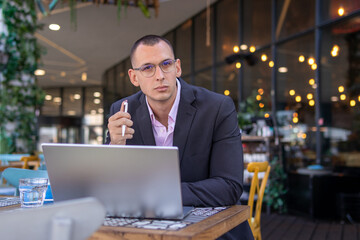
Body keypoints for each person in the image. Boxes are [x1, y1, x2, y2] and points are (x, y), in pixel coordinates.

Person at [105, 35, 253, 240]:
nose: (159, 75)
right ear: (134, 77)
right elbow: (112, 188)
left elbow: (229, 187)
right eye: (148, 68)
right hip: (145, 230)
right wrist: (115, 147)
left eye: (166, 64)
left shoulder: (217, 108)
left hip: (213, 231)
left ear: (177, 68)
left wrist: (159, 193)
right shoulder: (123, 111)